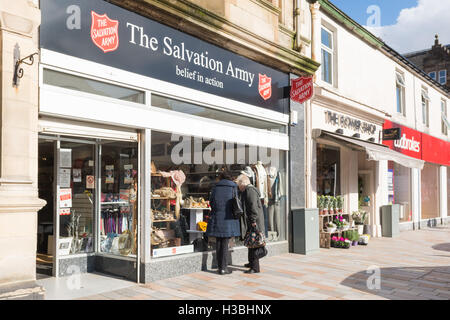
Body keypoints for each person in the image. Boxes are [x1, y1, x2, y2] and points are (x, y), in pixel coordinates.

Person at [205, 171, 241, 275]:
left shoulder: (215, 187)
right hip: (228, 217)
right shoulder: (233, 187)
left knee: (219, 242)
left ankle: (220, 266)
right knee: (225, 243)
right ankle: (223, 268)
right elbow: (236, 202)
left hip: (217, 217)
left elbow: (211, 202)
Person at [236, 174, 265, 274]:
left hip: (254, 222)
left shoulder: (250, 191)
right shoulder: (250, 190)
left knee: (254, 243)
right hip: (254, 221)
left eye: (238, 185)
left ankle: (255, 267)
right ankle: (251, 262)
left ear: (243, 183)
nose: (238, 187)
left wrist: (253, 221)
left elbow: (253, 207)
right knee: (251, 243)